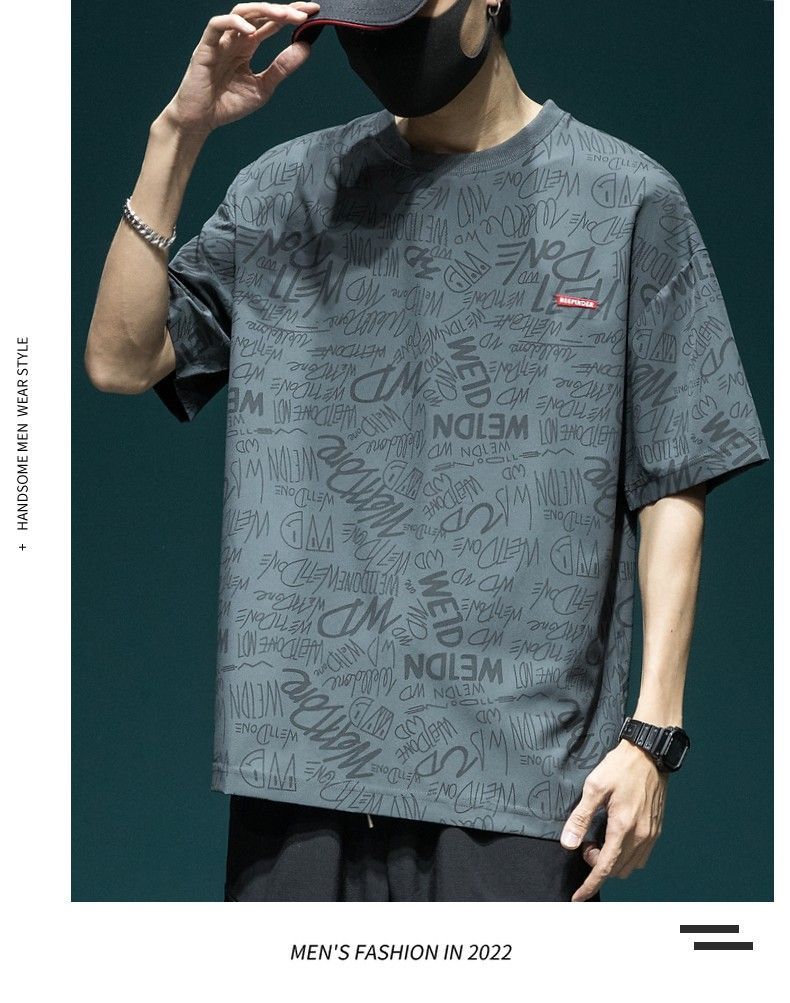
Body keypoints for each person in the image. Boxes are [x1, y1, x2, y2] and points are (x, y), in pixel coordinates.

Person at [84, 0, 771, 902]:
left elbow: (675, 479)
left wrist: (653, 736)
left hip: (522, 780)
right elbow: (122, 360)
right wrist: (176, 136)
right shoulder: (288, 190)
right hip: (298, 765)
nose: (389, 39)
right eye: (365, 16)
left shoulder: (624, 198)